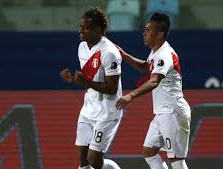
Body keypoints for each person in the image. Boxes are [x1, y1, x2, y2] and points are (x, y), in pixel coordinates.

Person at [116, 13, 191, 169]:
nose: (144, 33)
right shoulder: (156, 53)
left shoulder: (164, 54)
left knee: (176, 160)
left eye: (148, 30)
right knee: (149, 151)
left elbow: (154, 80)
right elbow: (147, 68)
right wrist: (125, 56)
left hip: (173, 111)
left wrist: (131, 95)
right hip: (163, 112)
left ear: (160, 34)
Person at [60, 7, 122, 169]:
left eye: (86, 27)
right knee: (83, 160)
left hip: (108, 111)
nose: (81, 30)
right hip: (88, 109)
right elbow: (90, 79)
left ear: (99, 29)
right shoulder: (82, 47)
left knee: (94, 159)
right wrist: (73, 80)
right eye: (80, 26)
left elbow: (112, 88)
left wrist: (85, 82)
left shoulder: (109, 53)